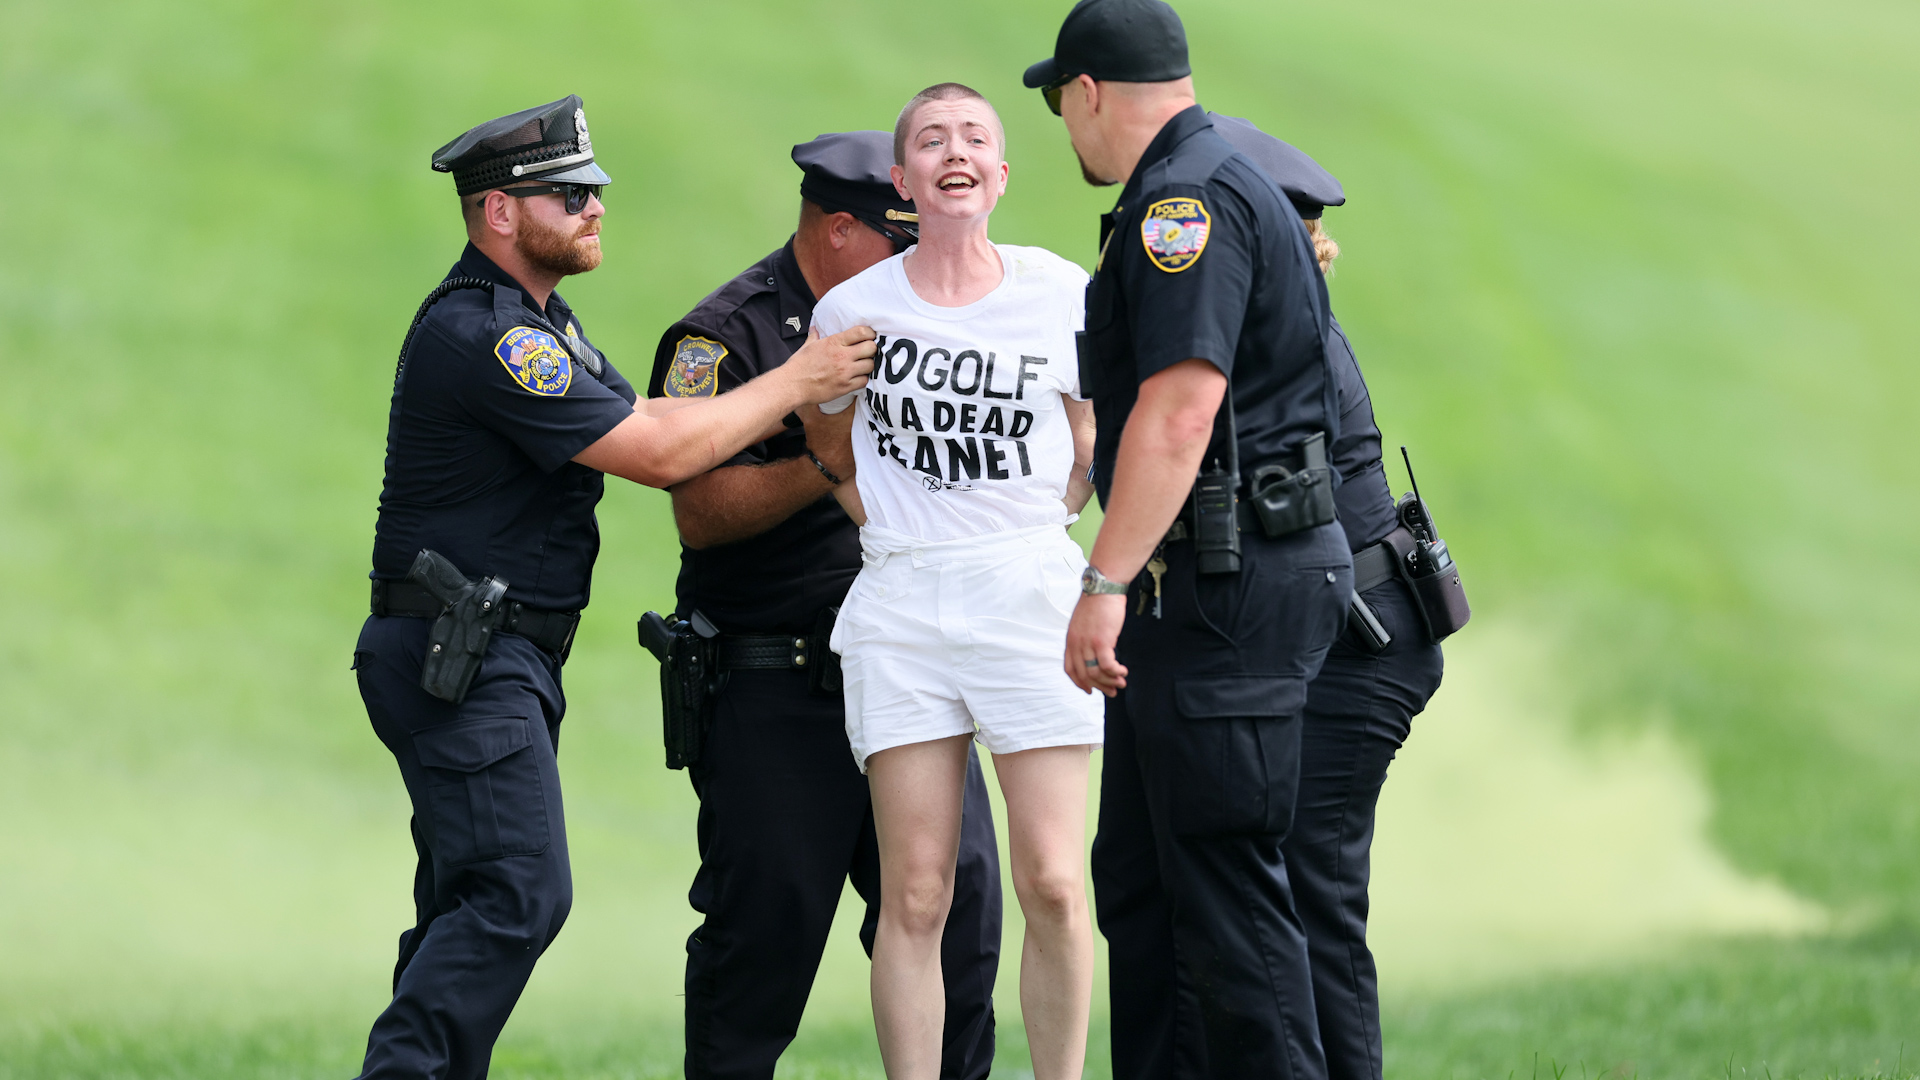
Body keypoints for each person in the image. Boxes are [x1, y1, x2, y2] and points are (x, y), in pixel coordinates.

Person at [350, 96, 876, 1080]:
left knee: (472, 899)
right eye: (570, 193)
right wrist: (804, 379)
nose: (596, 207)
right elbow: (658, 449)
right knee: (517, 892)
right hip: (462, 657)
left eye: (596, 189)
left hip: (488, 655)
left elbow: (650, 419)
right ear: (501, 213)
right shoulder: (492, 338)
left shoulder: (542, 324)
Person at [1027, 3, 1355, 1078]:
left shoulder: (1182, 202)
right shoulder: (1204, 178)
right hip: (1210, 589)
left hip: (1228, 589)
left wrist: (1102, 578)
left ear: (1086, 93)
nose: (1064, 131)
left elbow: (1179, 410)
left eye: (1058, 107)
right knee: (1144, 882)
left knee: (1221, 890)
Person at [645, 130, 1003, 1080]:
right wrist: (824, 461)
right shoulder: (724, 338)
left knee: (961, 942)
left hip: (921, 680)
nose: (918, 255)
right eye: (899, 236)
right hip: (780, 692)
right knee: (758, 954)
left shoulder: (935, 314)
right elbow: (701, 514)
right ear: (840, 228)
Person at [808, 84, 1103, 1080]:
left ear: (1002, 174)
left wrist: (1049, 513)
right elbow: (830, 437)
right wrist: (876, 516)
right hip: (903, 601)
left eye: (976, 138)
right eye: (931, 141)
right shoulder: (853, 307)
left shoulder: (1058, 290)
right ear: (904, 181)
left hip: (1028, 589)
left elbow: (1089, 437)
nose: (955, 152)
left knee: (1056, 882)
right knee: (918, 892)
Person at [1211, 113, 1448, 1080]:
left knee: (1314, 894)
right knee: (1302, 890)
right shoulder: (1287, 318)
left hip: (1362, 642)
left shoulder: (1282, 331)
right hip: (1356, 628)